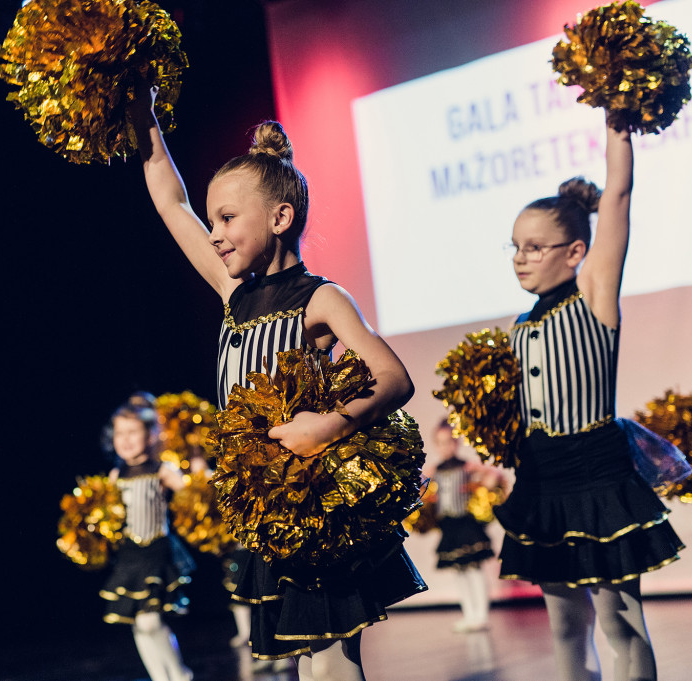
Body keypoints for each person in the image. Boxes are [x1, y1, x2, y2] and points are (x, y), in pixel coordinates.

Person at [131, 89, 425, 681]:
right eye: (211, 220)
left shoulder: (321, 298)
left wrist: (333, 425)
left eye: (227, 219)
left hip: (314, 507)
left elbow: (395, 377)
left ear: (280, 217)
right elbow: (169, 200)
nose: (213, 233)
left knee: (331, 666)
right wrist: (145, 115)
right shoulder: (232, 291)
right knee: (301, 667)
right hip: (265, 507)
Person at [493, 113, 684, 681]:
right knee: (564, 627)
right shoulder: (516, 328)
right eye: (514, 247)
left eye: (534, 246)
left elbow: (619, 195)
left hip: (599, 476)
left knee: (620, 623)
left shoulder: (595, 297)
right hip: (544, 481)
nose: (521, 257)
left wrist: (617, 118)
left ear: (575, 252)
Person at [100, 394, 195, 681]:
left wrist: (195, 473)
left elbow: (193, 496)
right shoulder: (116, 475)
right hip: (129, 557)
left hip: (156, 552)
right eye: (119, 433)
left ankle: (179, 674)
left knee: (152, 620)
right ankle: (159, 677)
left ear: (151, 434)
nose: (125, 439)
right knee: (139, 624)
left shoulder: (161, 470)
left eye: (132, 432)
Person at [424, 421, 496, 633]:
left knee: (473, 568)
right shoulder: (434, 470)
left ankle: (481, 615)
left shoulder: (467, 466)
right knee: (459, 570)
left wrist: (481, 477)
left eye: (448, 442)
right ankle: (469, 614)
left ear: (456, 443)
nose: (445, 447)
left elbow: (492, 480)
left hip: (467, 524)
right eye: (440, 443)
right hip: (449, 525)